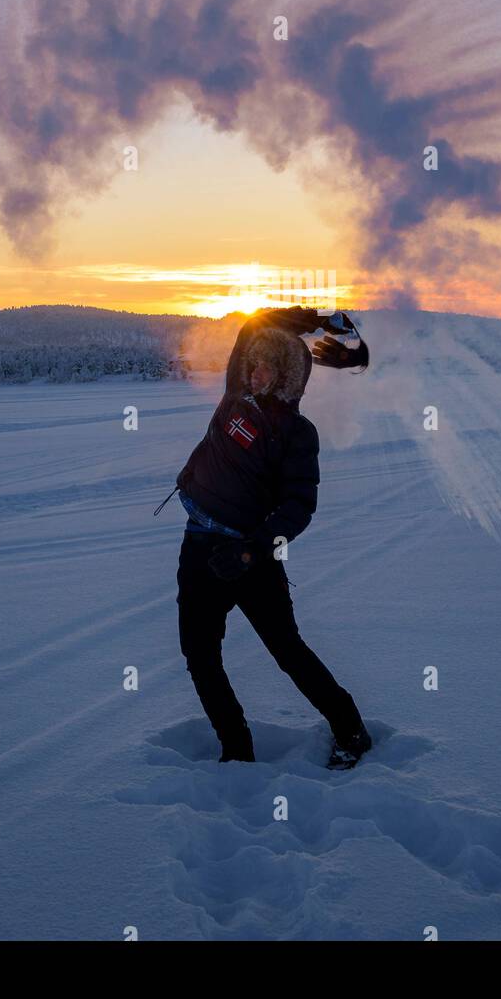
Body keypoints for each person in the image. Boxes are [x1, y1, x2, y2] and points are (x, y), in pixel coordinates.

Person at [173, 306, 373, 769]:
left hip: (250, 558)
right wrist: (321, 319)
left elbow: (299, 507)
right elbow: (253, 323)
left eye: (266, 365)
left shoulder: (296, 433)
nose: (255, 371)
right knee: (199, 657)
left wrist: (250, 551)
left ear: (285, 374)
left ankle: (351, 729)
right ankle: (236, 751)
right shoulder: (232, 398)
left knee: (288, 652)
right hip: (198, 546)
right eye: (253, 363)